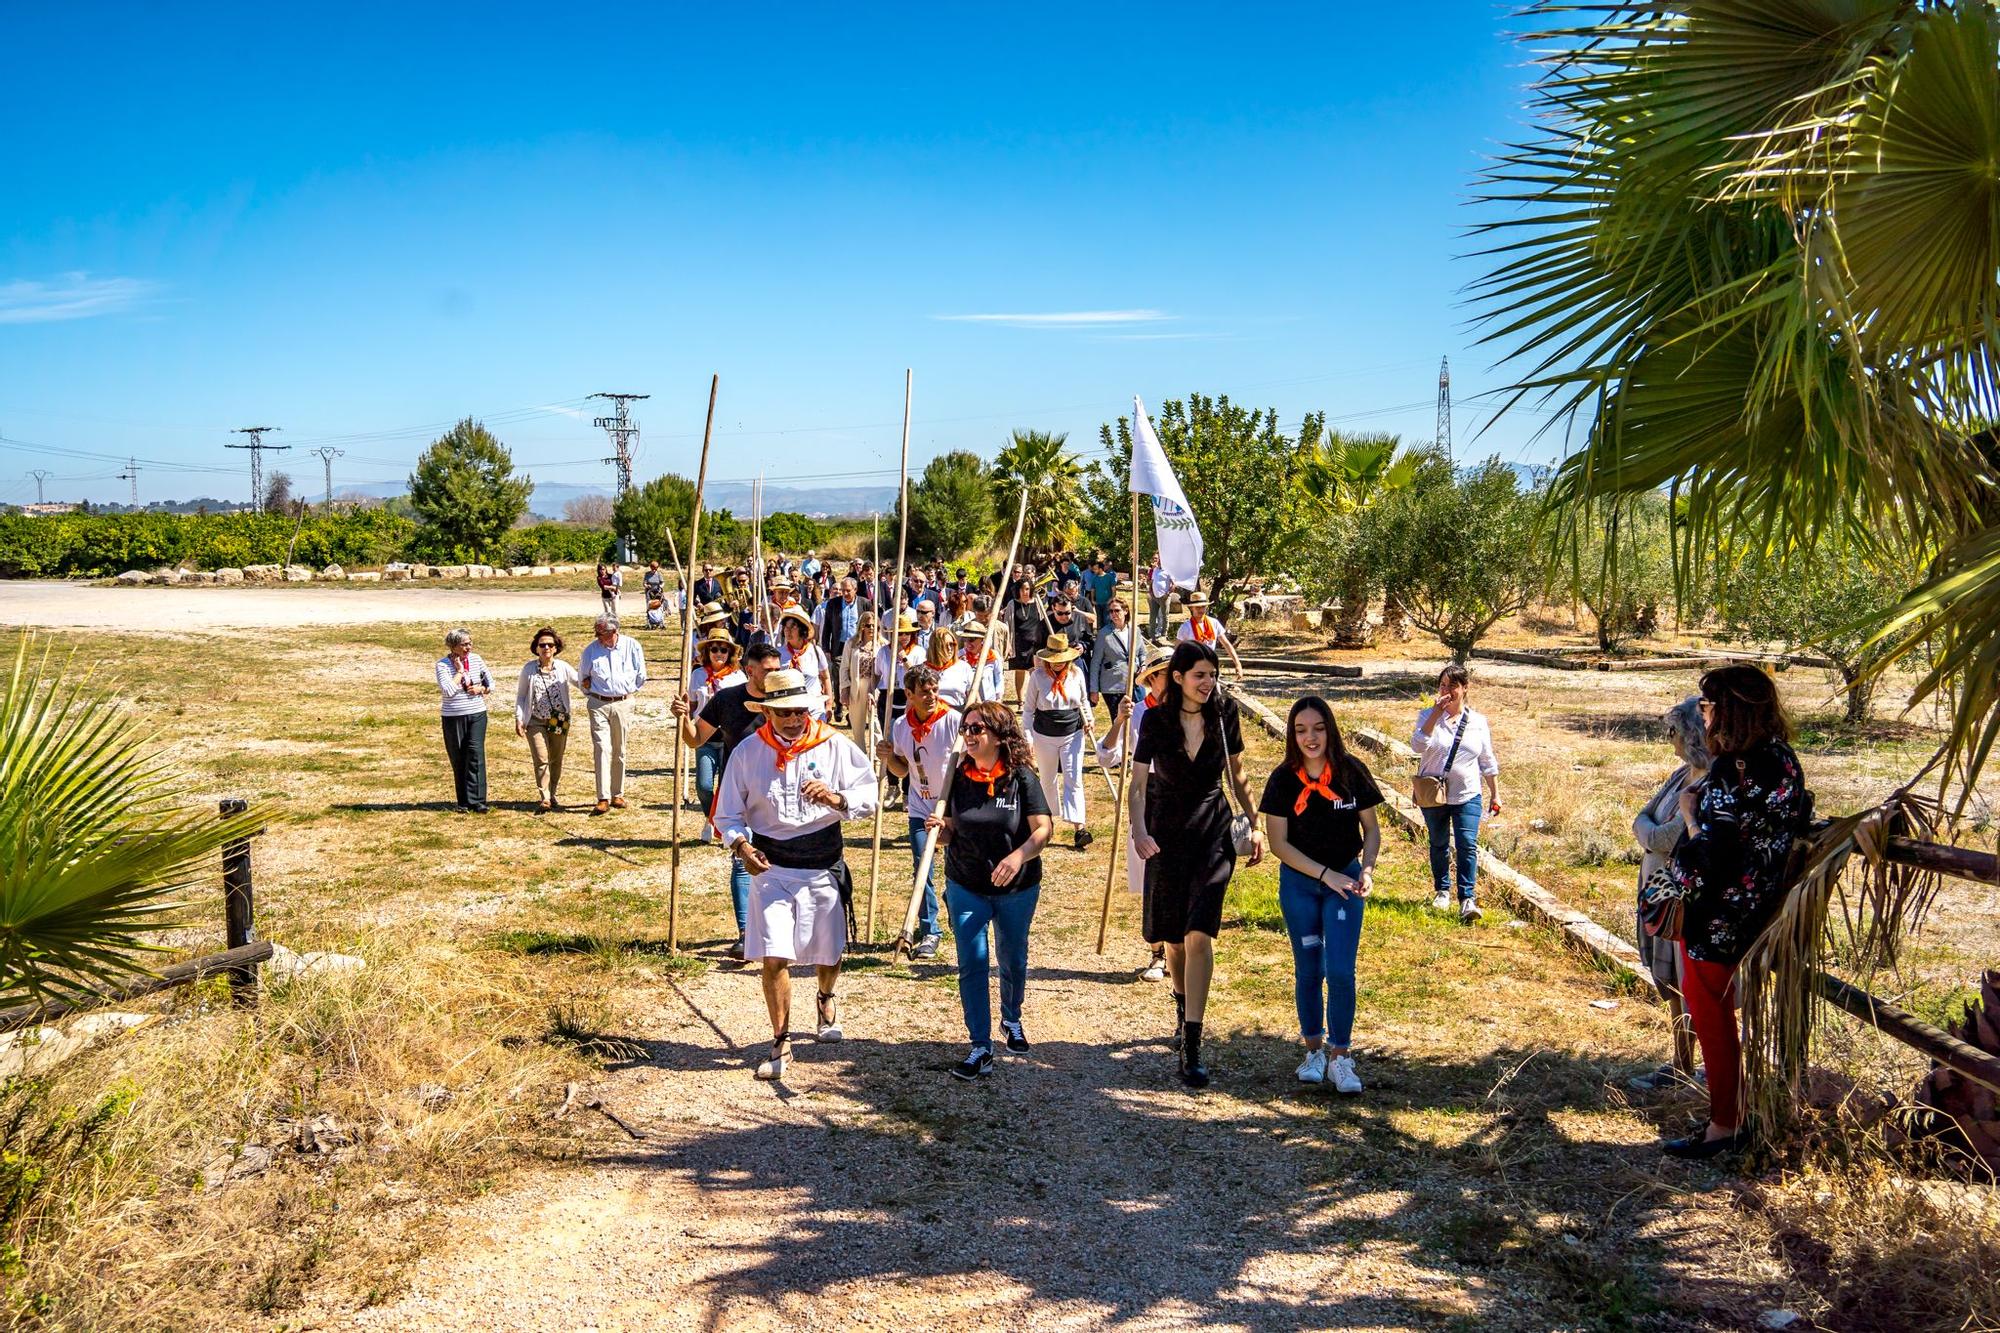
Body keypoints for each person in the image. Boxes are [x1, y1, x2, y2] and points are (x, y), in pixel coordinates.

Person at [1661, 666, 1808, 1158]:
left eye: (1706, 706)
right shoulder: (1783, 760)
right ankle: (1736, 1113)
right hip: (1761, 901)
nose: (1702, 715)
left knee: (1711, 1014)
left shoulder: (1730, 768)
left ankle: (1726, 1121)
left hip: (1717, 909)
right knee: (1720, 1011)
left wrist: (1688, 817)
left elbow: (1713, 851)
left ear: (1727, 709)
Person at [712, 668, 879, 1081]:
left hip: (823, 863)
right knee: (774, 956)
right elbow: (727, 813)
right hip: (771, 868)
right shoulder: (748, 752)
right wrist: (741, 846)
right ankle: (781, 1041)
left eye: (798, 711)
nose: (792, 719)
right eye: (783, 712)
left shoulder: (834, 745)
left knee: (829, 951)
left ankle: (825, 996)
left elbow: (870, 795)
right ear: (768, 712)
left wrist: (838, 797)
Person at [1129, 640, 1265, 1088]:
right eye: (1200, 675)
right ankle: (1181, 1005)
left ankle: (1193, 1043)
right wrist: (1139, 831)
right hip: (1166, 835)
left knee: (1199, 933)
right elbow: (1137, 785)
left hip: (1213, 831)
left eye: (1213, 674)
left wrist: (1255, 823)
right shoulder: (1155, 719)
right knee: (1174, 941)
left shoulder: (1224, 714)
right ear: (1181, 678)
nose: (1208, 683)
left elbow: (1238, 774)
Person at [1260, 696, 1383, 1093]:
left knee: (1341, 971)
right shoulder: (1282, 780)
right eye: (1300, 730)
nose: (1309, 738)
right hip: (1301, 885)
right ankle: (1313, 1050)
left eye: (1317, 728)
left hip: (1344, 886)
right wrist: (1323, 874)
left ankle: (1341, 1057)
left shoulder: (1351, 772)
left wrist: (1366, 869)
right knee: (1310, 968)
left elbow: (1372, 830)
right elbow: (1278, 844)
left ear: (1330, 729)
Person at [927, 700, 1054, 1080]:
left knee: (1012, 958)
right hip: (966, 883)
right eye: (966, 728)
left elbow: (1043, 829)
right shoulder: (957, 775)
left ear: (999, 736)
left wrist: (1018, 857)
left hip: (1017, 887)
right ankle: (980, 1045)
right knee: (973, 961)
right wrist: (940, 831)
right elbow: (951, 831)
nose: (969, 734)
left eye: (978, 728)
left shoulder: (1021, 777)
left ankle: (1011, 1017)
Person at [674, 642, 782, 958]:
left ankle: (775, 929)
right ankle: (747, 933)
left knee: (778, 862)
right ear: (750, 670)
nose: (775, 675)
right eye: (768, 670)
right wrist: (683, 717)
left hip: (780, 792)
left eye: (778, 669)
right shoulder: (727, 700)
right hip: (740, 792)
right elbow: (695, 739)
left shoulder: (786, 698)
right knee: (742, 857)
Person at [1629, 696, 1710, 1093]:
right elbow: (1641, 818)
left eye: (1674, 730)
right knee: (1670, 983)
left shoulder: (1708, 783)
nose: (1669, 738)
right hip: (1659, 892)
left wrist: (1648, 835)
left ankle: (1699, 1066)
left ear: (1692, 733)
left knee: (1688, 982)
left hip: (1683, 898)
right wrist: (1649, 834)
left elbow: (1659, 835)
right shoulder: (1681, 775)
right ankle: (1679, 1063)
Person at [1095, 645, 1175, 981]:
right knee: (1151, 879)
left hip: (1183, 798)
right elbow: (1105, 756)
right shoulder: (1138, 713)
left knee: (1178, 878)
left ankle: (1178, 950)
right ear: (1152, 679)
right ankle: (1157, 952)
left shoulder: (1192, 711)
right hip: (1149, 795)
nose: (1173, 680)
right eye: (1167, 674)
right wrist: (1118, 722)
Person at [877, 665, 960, 960]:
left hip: (950, 808)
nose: (931, 696)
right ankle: (929, 930)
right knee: (922, 869)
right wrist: (888, 759)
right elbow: (903, 770)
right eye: (925, 692)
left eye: (935, 690)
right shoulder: (901, 726)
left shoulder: (953, 721)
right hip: (920, 807)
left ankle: (956, 903)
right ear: (909, 694)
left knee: (956, 868)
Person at [1412, 664, 1502, 920]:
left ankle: (1467, 899)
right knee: (1439, 843)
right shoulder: (1427, 715)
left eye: (1452, 685)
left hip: (1468, 794)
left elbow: (1487, 760)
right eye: (1442, 685)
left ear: (1464, 689)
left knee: (1467, 845)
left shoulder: (1478, 722)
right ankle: (1442, 891)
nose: (1446, 690)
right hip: (1434, 794)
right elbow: (1418, 745)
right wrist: (1434, 716)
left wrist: (1495, 793)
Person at [1022, 631, 1093, 851]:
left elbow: (1083, 701)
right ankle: (1047, 822)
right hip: (1044, 734)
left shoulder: (1077, 674)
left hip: (1073, 733)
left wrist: (1088, 720)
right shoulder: (1037, 677)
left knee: (1073, 778)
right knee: (1048, 779)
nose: (1058, 665)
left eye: (1062, 661)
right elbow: (1028, 710)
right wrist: (1028, 737)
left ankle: (1079, 827)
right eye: (1054, 661)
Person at [578, 615, 647, 814]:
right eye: (597, 633)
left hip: (624, 704)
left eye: (602, 634)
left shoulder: (632, 646)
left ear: (614, 632)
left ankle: (618, 794)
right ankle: (603, 797)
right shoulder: (591, 650)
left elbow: (641, 674)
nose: (599, 637)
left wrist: (625, 691)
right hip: (598, 703)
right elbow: (582, 676)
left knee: (620, 749)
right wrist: (592, 693)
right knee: (602, 748)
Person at [687, 627, 746, 839]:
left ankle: (722, 826)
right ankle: (711, 817)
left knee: (726, 786)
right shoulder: (698, 675)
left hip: (730, 739)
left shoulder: (738, 677)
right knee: (703, 786)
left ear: (730, 653)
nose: (719, 653)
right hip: (705, 737)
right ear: (707, 652)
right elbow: (692, 705)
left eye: (723, 649)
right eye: (714, 649)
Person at [514, 626, 579, 812]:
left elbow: (581, 682)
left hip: (559, 719)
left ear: (556, 648)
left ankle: (553, 792)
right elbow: (521, 696)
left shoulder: (563, 667)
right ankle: (545, 797)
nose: (546, 648)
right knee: (541, 758)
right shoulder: (529, 669)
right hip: (535, 720)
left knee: (556, 758)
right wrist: (519, 718)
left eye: (550, 644)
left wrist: (595, 686)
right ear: (536, 648)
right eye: (542, 645)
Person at [435, 627, 493, 813]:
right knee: (458, 757)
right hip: (453, 716)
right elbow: (448, 691)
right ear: (453, 647)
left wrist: (481, 690)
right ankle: (463, 802)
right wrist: (459, 671)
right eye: (464, 644)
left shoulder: (476, 660)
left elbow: (491, 683)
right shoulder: (443, 665)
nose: (469, 647)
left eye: (470, 643)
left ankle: (478, 801)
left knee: (475, 755)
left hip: (477, 713)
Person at [817, 576, 862, 724]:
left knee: (855, 678)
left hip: (857, 646)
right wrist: (826, 647)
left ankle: (852, 712)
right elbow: (827, 627)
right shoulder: (833, 604)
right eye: (843, 591)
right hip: (839, 646)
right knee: (838, 677)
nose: (845, 593)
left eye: (848, 591)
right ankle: (839, 707)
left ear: (855, 590)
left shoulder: (864, 603)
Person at [777, 607, 833, 720]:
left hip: (815, 710)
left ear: (802, 630)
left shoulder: (816, 651)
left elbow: (825, 678)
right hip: (790, 712)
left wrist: (829, 705)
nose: (788, 630)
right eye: (786, 627)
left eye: (793, 626)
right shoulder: (778, 654)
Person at [1087, 595, 1136, 721]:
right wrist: (1094, 690)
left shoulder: (1135, 630)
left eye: (1117, 610)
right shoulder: (1104, 634)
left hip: (1133, 683)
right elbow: (1095, 662)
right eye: (1111, 611)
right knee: (1118, 722)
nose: (1113, 614)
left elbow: (1142, 653)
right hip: (1112, 687)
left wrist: (1142, 665)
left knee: (1137, 721)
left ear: (1125, 611)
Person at [1177, 591, 1244, 676]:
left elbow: (1226, 644)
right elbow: (1177, 651)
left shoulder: (1214, 623)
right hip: (1193, 668)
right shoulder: (1185, 627)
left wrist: (1238, 664)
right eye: (1197, 607)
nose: (1201, 610)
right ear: (1191, 608)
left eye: (1203, 607)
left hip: (1211, 665)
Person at [842, 611, 881, 748]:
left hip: (875, 687)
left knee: (875, 723)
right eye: (868, 625)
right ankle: (861, 755)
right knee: (857, 726)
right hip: (856, 687)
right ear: (862, 626)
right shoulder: (851, 644)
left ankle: (877, 759)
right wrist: (844, 690)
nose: (871, 629)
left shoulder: (882, 644)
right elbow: (844, 668)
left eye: (875, 626)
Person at [1005, 578, 1047, 701]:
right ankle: (1020, 700)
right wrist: (1008, 644)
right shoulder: (1012, 604)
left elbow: (1043, 622)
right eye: (1022, 589)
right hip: (1018, 643)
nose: (1025, 592)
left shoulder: (1037, 602)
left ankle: (1037, 699)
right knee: (1019, 671)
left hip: (1035, 644)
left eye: (1027, 589)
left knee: (1036, 672)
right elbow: (1007, 625)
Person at [956, 616, 1005, 705]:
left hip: (990, 703)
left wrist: (999, 698)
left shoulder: (992, 655)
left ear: (982, 640)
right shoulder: (959, 656)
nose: (968, 643)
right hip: (967, 704)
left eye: (972, 640)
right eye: (965, 639)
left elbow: (999, 678)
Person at [925, 625, 974, 710]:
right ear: (935, 647)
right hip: (930, 716)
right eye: (945, 645)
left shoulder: (964, 667)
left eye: (952, 644)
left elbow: (973, 697)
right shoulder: (924, 669)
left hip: (957, 716)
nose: (949, 648)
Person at [1147, 556, 1172, 638]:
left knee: (1165, 616)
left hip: (1164, 597)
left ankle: (1164, 634)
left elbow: (1174, 584)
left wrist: (1167, 593)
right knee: (1153, 616)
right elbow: (1152, 581)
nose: (1158, 562)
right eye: (1159, 560)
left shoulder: (1169, 571)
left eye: (1161, 561)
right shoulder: (1155, 570)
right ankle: (1152, 635)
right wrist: (1150, 591)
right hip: (1154, 596)